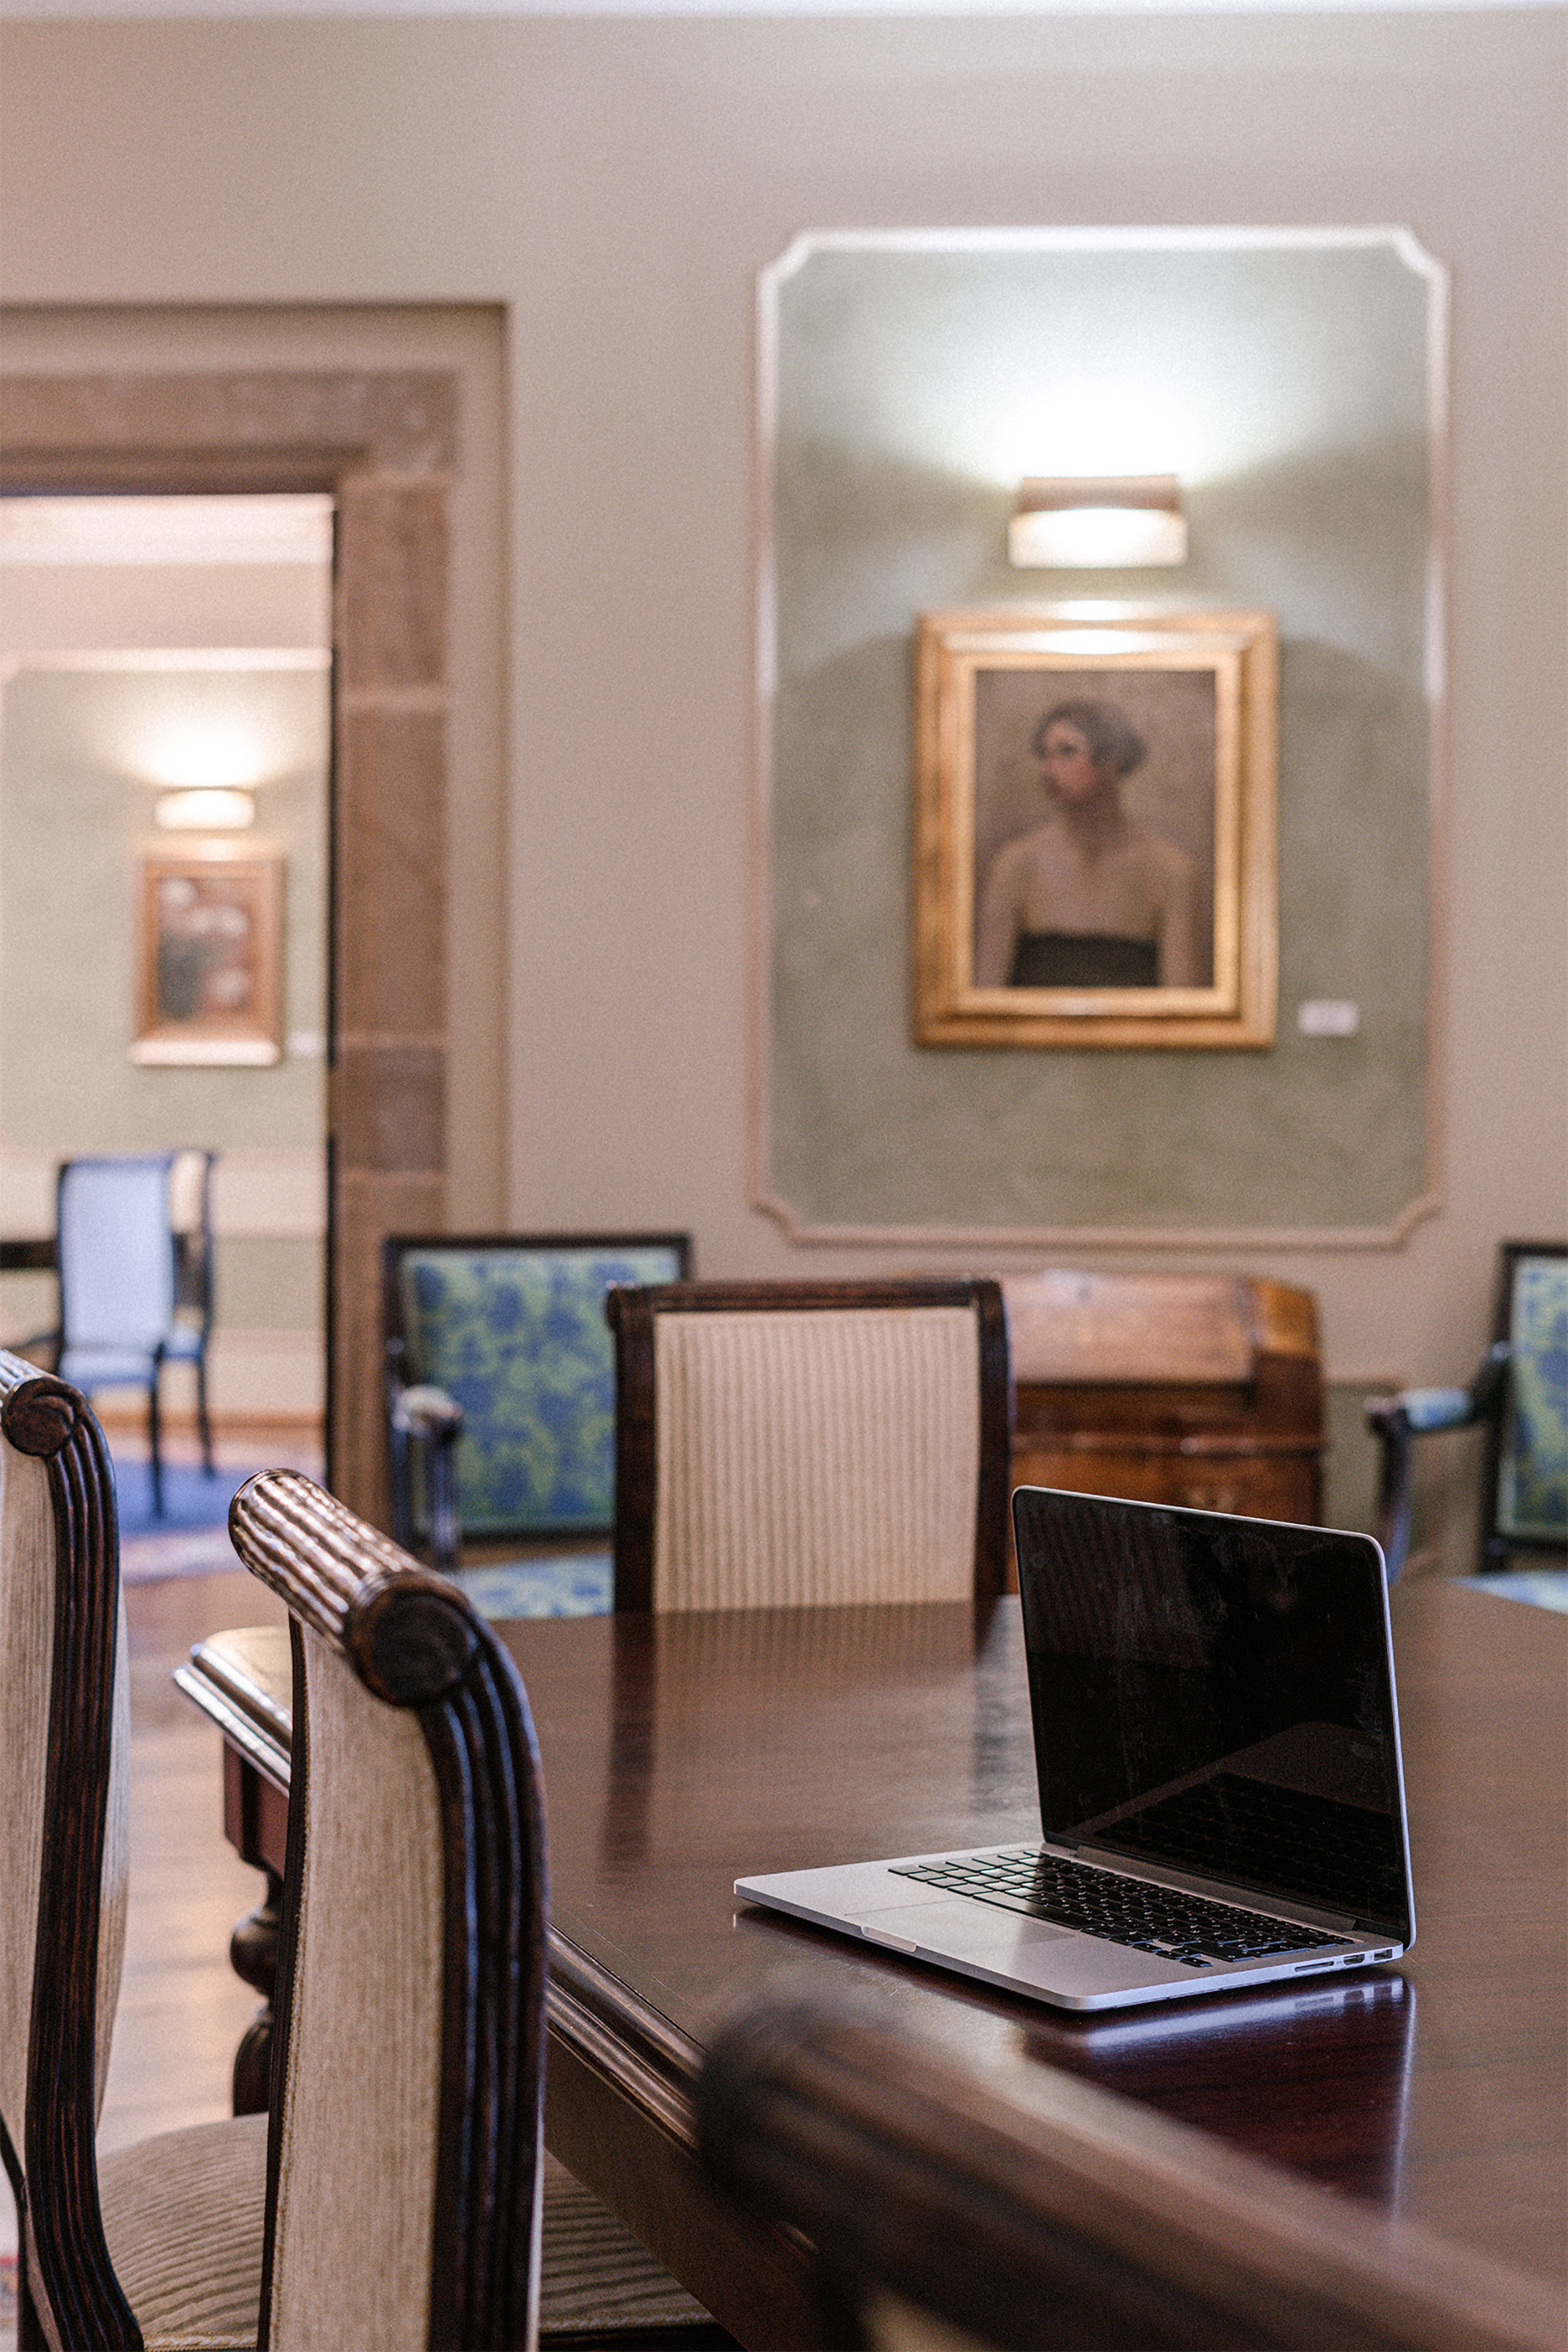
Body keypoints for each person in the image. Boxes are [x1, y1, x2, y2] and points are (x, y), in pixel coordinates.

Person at [973, 698, 1200, 990]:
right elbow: (985, 1000)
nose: (1049, 769)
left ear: (1112, 761)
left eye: (1067, 753)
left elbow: (1183, 1010)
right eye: (1045, 755)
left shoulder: (1170, 870)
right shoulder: (1016, 863)